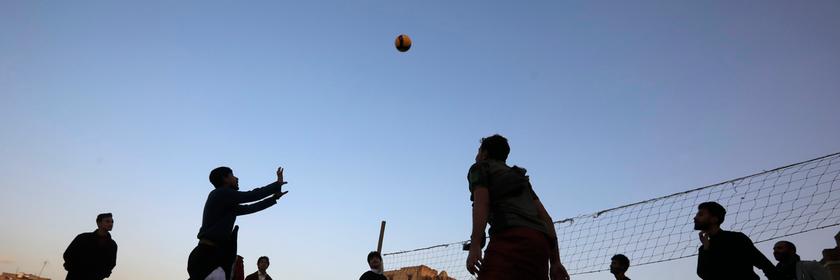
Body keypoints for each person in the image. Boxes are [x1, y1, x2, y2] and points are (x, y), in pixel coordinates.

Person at [465, 134, 570, 280]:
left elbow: (481, 203)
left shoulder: (480, 168)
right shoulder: (519, 178)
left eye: (478, 151)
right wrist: (556, 262)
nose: (476, 156)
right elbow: (546, 218)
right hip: (539, 244)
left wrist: (475, 245)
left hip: (510, 238)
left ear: (484, 153)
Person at [187, 166, 289, 280]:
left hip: (213, 254)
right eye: (232, 175)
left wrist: (273, 198)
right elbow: (251, 196)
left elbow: (251, 208)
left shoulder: (227, 203)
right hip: (207, 254)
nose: (237, 178)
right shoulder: (221, 193)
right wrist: (277, 184)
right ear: (225, 179)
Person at [694, 201, 778, 280]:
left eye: (700, 215)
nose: (695, 218)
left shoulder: (736, 238)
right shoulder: (704, 248)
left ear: (714, 219)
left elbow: (763, 263)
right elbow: (703, 274)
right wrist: (706, 248)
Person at [63, 213, 118, 280]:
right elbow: (68, 254)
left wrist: (102, 275)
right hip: (75, 276)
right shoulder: (83, 238)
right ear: (98, 223)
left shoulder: (112, 245)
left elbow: (111, 263)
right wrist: (74, 269)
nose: (111, 224)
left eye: (112, 222)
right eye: (107, 221)